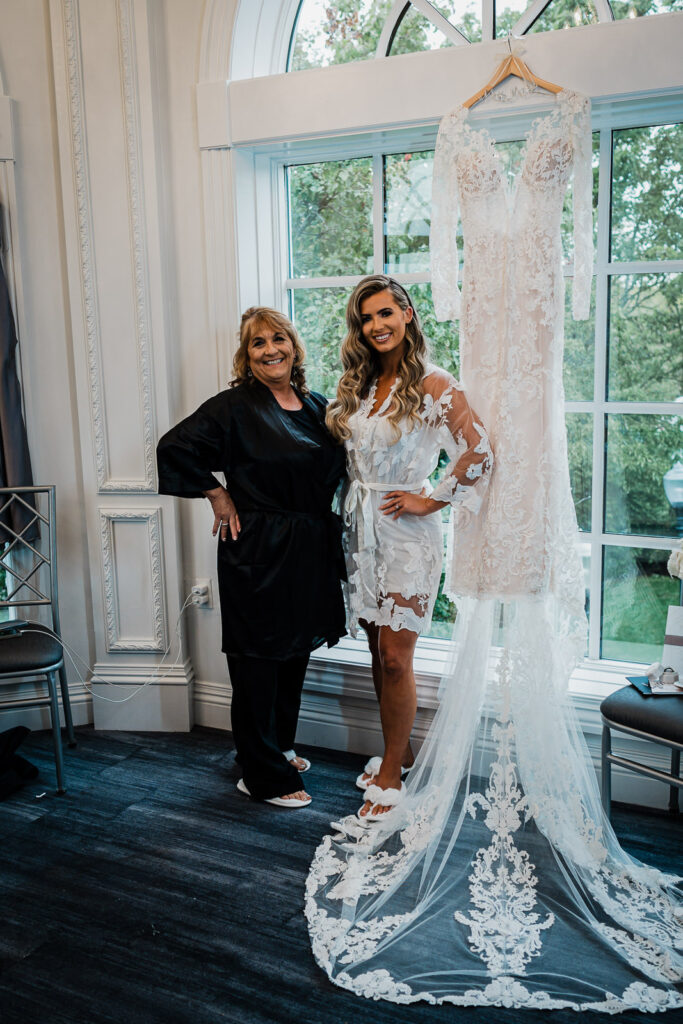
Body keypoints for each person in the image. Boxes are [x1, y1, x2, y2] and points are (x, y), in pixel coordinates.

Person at [157, 307, 346, 808]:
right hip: (258, 545)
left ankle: (277, 746)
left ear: (294, 346)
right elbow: (173, 447)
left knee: (292, 653)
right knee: (258, 657)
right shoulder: (234, 407)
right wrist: (215, 493)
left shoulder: (314, 404)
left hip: (307, 546)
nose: (270, 350)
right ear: (247, 355)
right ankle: (262, 775)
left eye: (278, 338)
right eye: (258, 343)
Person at [325, 274, 493, 819]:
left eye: (385, 314)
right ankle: (401, 749)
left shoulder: (434, 383)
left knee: (397, 657)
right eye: (367, 318)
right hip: (361, 533)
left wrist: (432, 500)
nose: (377, 326)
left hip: (406, 538)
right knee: (379, 652)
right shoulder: (360, 386)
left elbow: (480, 450)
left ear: (408, 314)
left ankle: (394, 771)